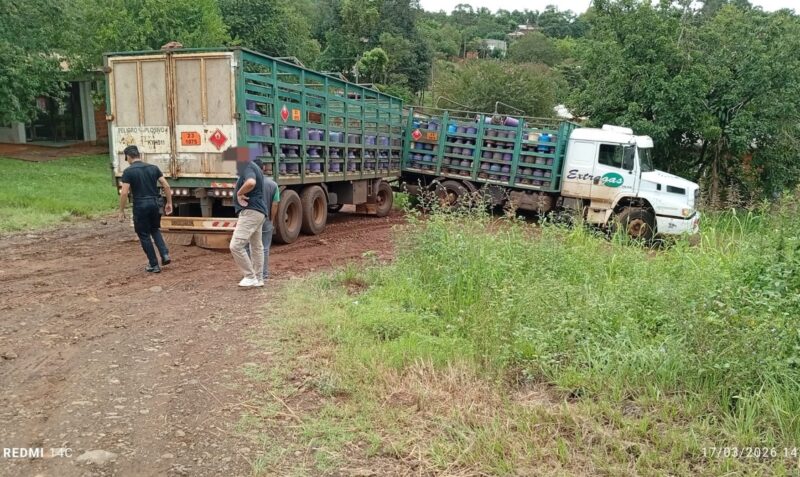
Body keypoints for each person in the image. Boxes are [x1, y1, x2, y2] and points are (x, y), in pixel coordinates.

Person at [118, 145, 173, 273]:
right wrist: (169, 202)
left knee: (143, 234)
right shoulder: (153, 168)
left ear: (128, 157)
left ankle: (154, 264)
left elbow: (124, 192)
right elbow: (166, 185)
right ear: (139, 155)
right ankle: (165, 254)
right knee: (154, 229)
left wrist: (121, 210)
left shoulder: (128, 172)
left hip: (140, 205)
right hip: (155, 203)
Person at [229, 154, 268, 288]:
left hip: (250, 212)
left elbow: (251, 182)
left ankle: (250, 276)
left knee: (236, 245)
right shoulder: (254, 166)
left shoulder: (247, 166)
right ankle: (258, 278)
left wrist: (239, 193)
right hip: (258, 212)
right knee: (256, 247)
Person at [248, 159, 280, 281]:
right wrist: (271, 219)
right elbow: (275, 204)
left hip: (252, 219)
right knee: (264, 248)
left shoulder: (248, 184)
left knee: (249, 247)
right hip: (265, 219)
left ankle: (250, 275)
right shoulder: (273, 185)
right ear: (264, 169)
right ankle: (264, 275)